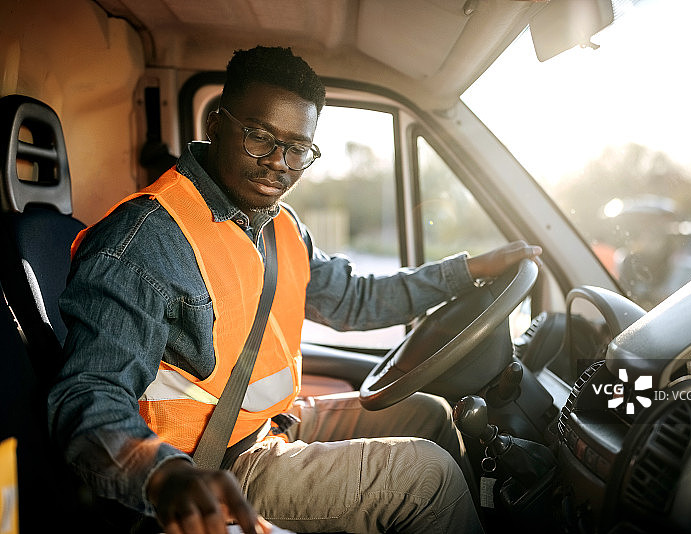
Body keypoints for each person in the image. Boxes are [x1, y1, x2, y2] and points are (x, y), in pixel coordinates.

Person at [48, 45, 542, 534]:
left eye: (298, 149)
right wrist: (164, 475)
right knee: (427, 479)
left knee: (429, 414)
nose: (278, 163)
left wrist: (467, 271)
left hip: (270, 426)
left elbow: (355, 300)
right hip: (210, 470)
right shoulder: (143, 240)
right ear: (216, 124)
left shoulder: (280, 226)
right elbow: (88, 394)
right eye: (260, 138)